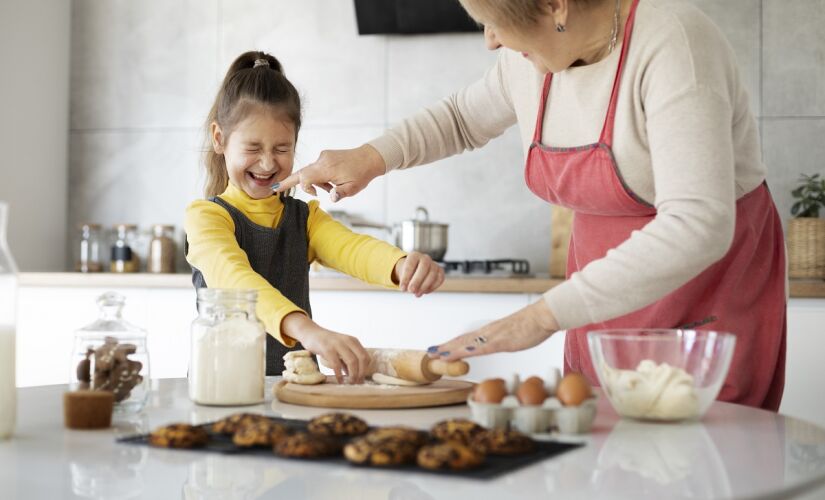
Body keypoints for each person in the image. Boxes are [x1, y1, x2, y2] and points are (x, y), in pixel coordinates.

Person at [273, 0, 787, 410]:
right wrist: (369, 158)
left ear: (555, 6)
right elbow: (459, 119)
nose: (491, 39)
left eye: (495, 23)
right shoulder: (529, 61)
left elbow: (699, 224)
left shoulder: (673, 44)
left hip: (704, 296)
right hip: (602, 300)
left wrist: (542, 317)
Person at [185, 51, 445, 383]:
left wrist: (402, 265)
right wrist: (306, 331)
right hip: (219, 385)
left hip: (295, 387)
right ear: (219, 139)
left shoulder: (303, 217)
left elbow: (353, 249)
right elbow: (234, 280)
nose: (267, 164)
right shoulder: (206, 217)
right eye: (252, 148)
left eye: (282, 149)